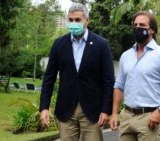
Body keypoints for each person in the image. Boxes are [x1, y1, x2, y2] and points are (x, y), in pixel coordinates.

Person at [39, 3, 115, 141]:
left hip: (93, 112)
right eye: (71, 20)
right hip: (66, 109)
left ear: (87, 20)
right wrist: (44, 107)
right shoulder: (59, 44)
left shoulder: (101, 45)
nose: (74, 23)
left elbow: (108, 80)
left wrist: (106, 110)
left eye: (78, 20)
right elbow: (49, 78)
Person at [110, 11, 160, 141]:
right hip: (127, 117)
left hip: (149, 117)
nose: (138, 28)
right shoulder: (126, 56)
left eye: (142, 25)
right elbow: (119, 86)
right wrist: (115, 113)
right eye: (135, 25)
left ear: (152, 30)